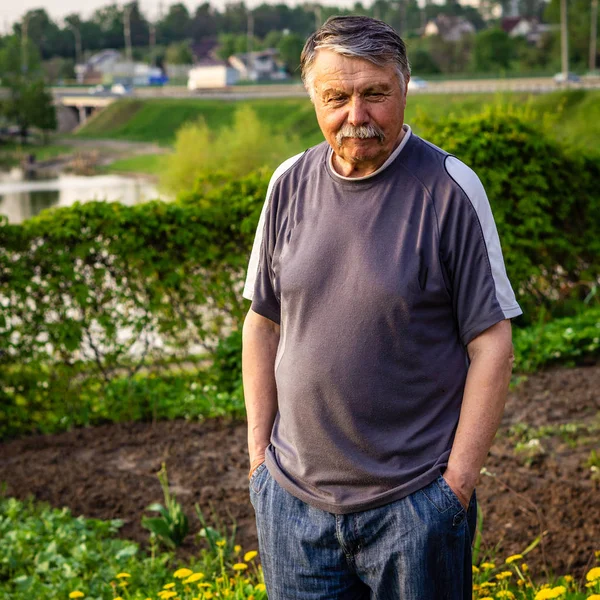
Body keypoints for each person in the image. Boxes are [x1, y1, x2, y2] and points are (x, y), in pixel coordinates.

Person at [241, 15, 522, 600]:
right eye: (336, 97)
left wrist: (456, 488)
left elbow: (491, 341)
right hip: (292, 509)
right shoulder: (287, 183)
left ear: (404, 88)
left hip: (415, 510)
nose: (356, 116)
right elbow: (262, 324)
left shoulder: (449, 189)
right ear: (314, 99)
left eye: (375, 94)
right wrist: (258, 464)